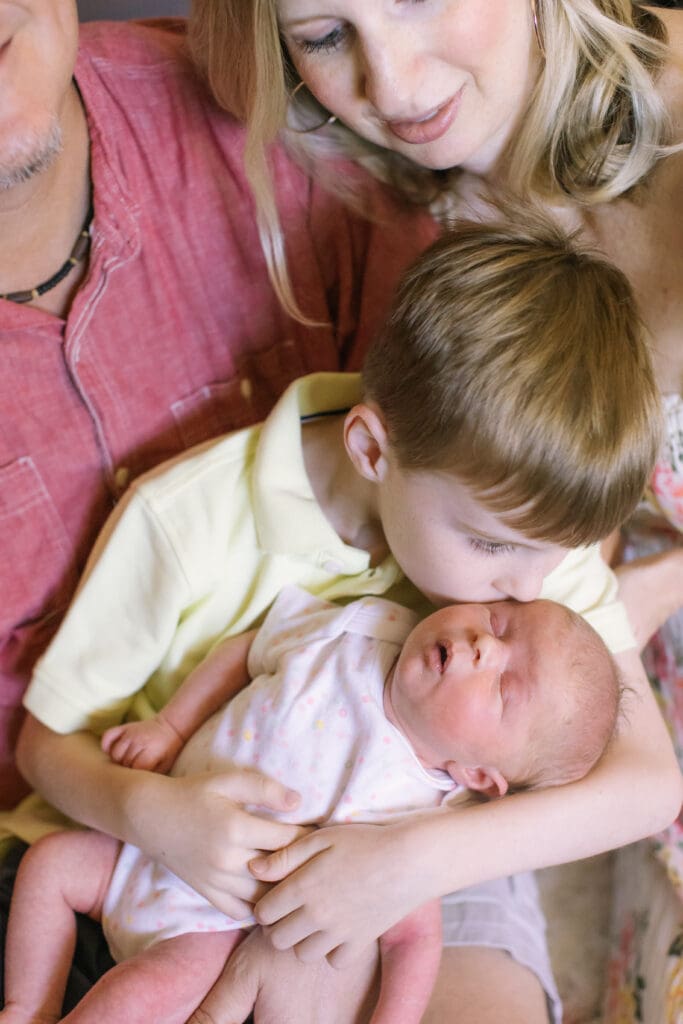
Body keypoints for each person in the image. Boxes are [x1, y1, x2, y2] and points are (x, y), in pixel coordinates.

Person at [4, 210, 678, 1024]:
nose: (530, 591)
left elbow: (647, 788)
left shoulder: (517, 541)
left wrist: (403, 863)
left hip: (398, 855)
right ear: (370, 452)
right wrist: (154, 813)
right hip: (167, 840)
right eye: (491, 547)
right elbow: (44, 749)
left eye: (551, 556)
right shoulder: (183, 523)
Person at [179, 2, 683, 1019]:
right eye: (324, 35)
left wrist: (406, 858)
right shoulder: (424, 215)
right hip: (582, 647)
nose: (397, 83)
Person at [1, 584, 622, 1024]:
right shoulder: (357, 628)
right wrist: (169, 725)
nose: (484, 645)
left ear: (479, 774)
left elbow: (414, 941)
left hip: (207, 926)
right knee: (50, 863)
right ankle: (29, 1007)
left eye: (505, 689)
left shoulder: (425, 812)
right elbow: (244, 653)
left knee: (132, 1002)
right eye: (497, 620)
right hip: (143, 840)